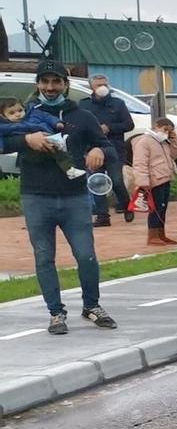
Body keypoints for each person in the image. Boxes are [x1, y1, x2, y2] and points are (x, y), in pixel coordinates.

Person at [1, 57, 119, 334]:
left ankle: (92, 306)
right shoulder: (26, 114)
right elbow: (4, 140)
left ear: (66, 85)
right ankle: (56, 313)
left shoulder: (82, 116)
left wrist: (98, 150)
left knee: (86, 254)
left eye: (56, 82)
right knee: (44, 257)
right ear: (38, 84)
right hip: (36, 196)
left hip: (75, 197)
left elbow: (109, 147)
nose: (51, 87)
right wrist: (26, 140)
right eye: (45, 81)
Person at [82, 73, 134, 228]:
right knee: (97, 182)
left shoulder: (117, 104)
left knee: (116, 180)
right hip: (93, 149)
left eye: (104, 84)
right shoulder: (84, 105)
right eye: (98, 85)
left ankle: (126, 206)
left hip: (114, 148)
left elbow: (128, 124)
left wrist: (109, 128)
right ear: (92, 86)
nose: (102, 87)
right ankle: (102, 216)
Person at [129, 114, 177, 247]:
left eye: (169, 130)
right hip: (153, 180)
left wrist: (175, 140)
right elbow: (140, 163)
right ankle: (152, 235)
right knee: (155, 208)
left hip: (165, 177)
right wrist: (142, 181)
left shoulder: (163, 142)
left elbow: (173, 155)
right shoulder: (144, 141)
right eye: (165, 129)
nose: (166, 133)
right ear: (156, 127)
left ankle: (161, 233)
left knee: (163, 207)